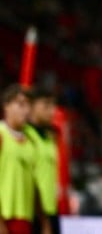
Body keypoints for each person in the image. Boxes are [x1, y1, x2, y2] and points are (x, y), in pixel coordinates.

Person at [0, 85, 42, 234]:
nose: (26, 110)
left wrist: (45, 222)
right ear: (6, 106)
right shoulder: (1, 135)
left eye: (29, 105)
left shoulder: (31, 141)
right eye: (20, 104)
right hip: (4, 216)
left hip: (24, 218)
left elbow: (35, 184)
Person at [22, 87, 59, 234]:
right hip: (32, 211)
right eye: (46, 105)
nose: (51, 111)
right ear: (32, 106)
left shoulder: (49, 137)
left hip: (50, 208)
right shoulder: (25, 135)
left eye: (53, 105)